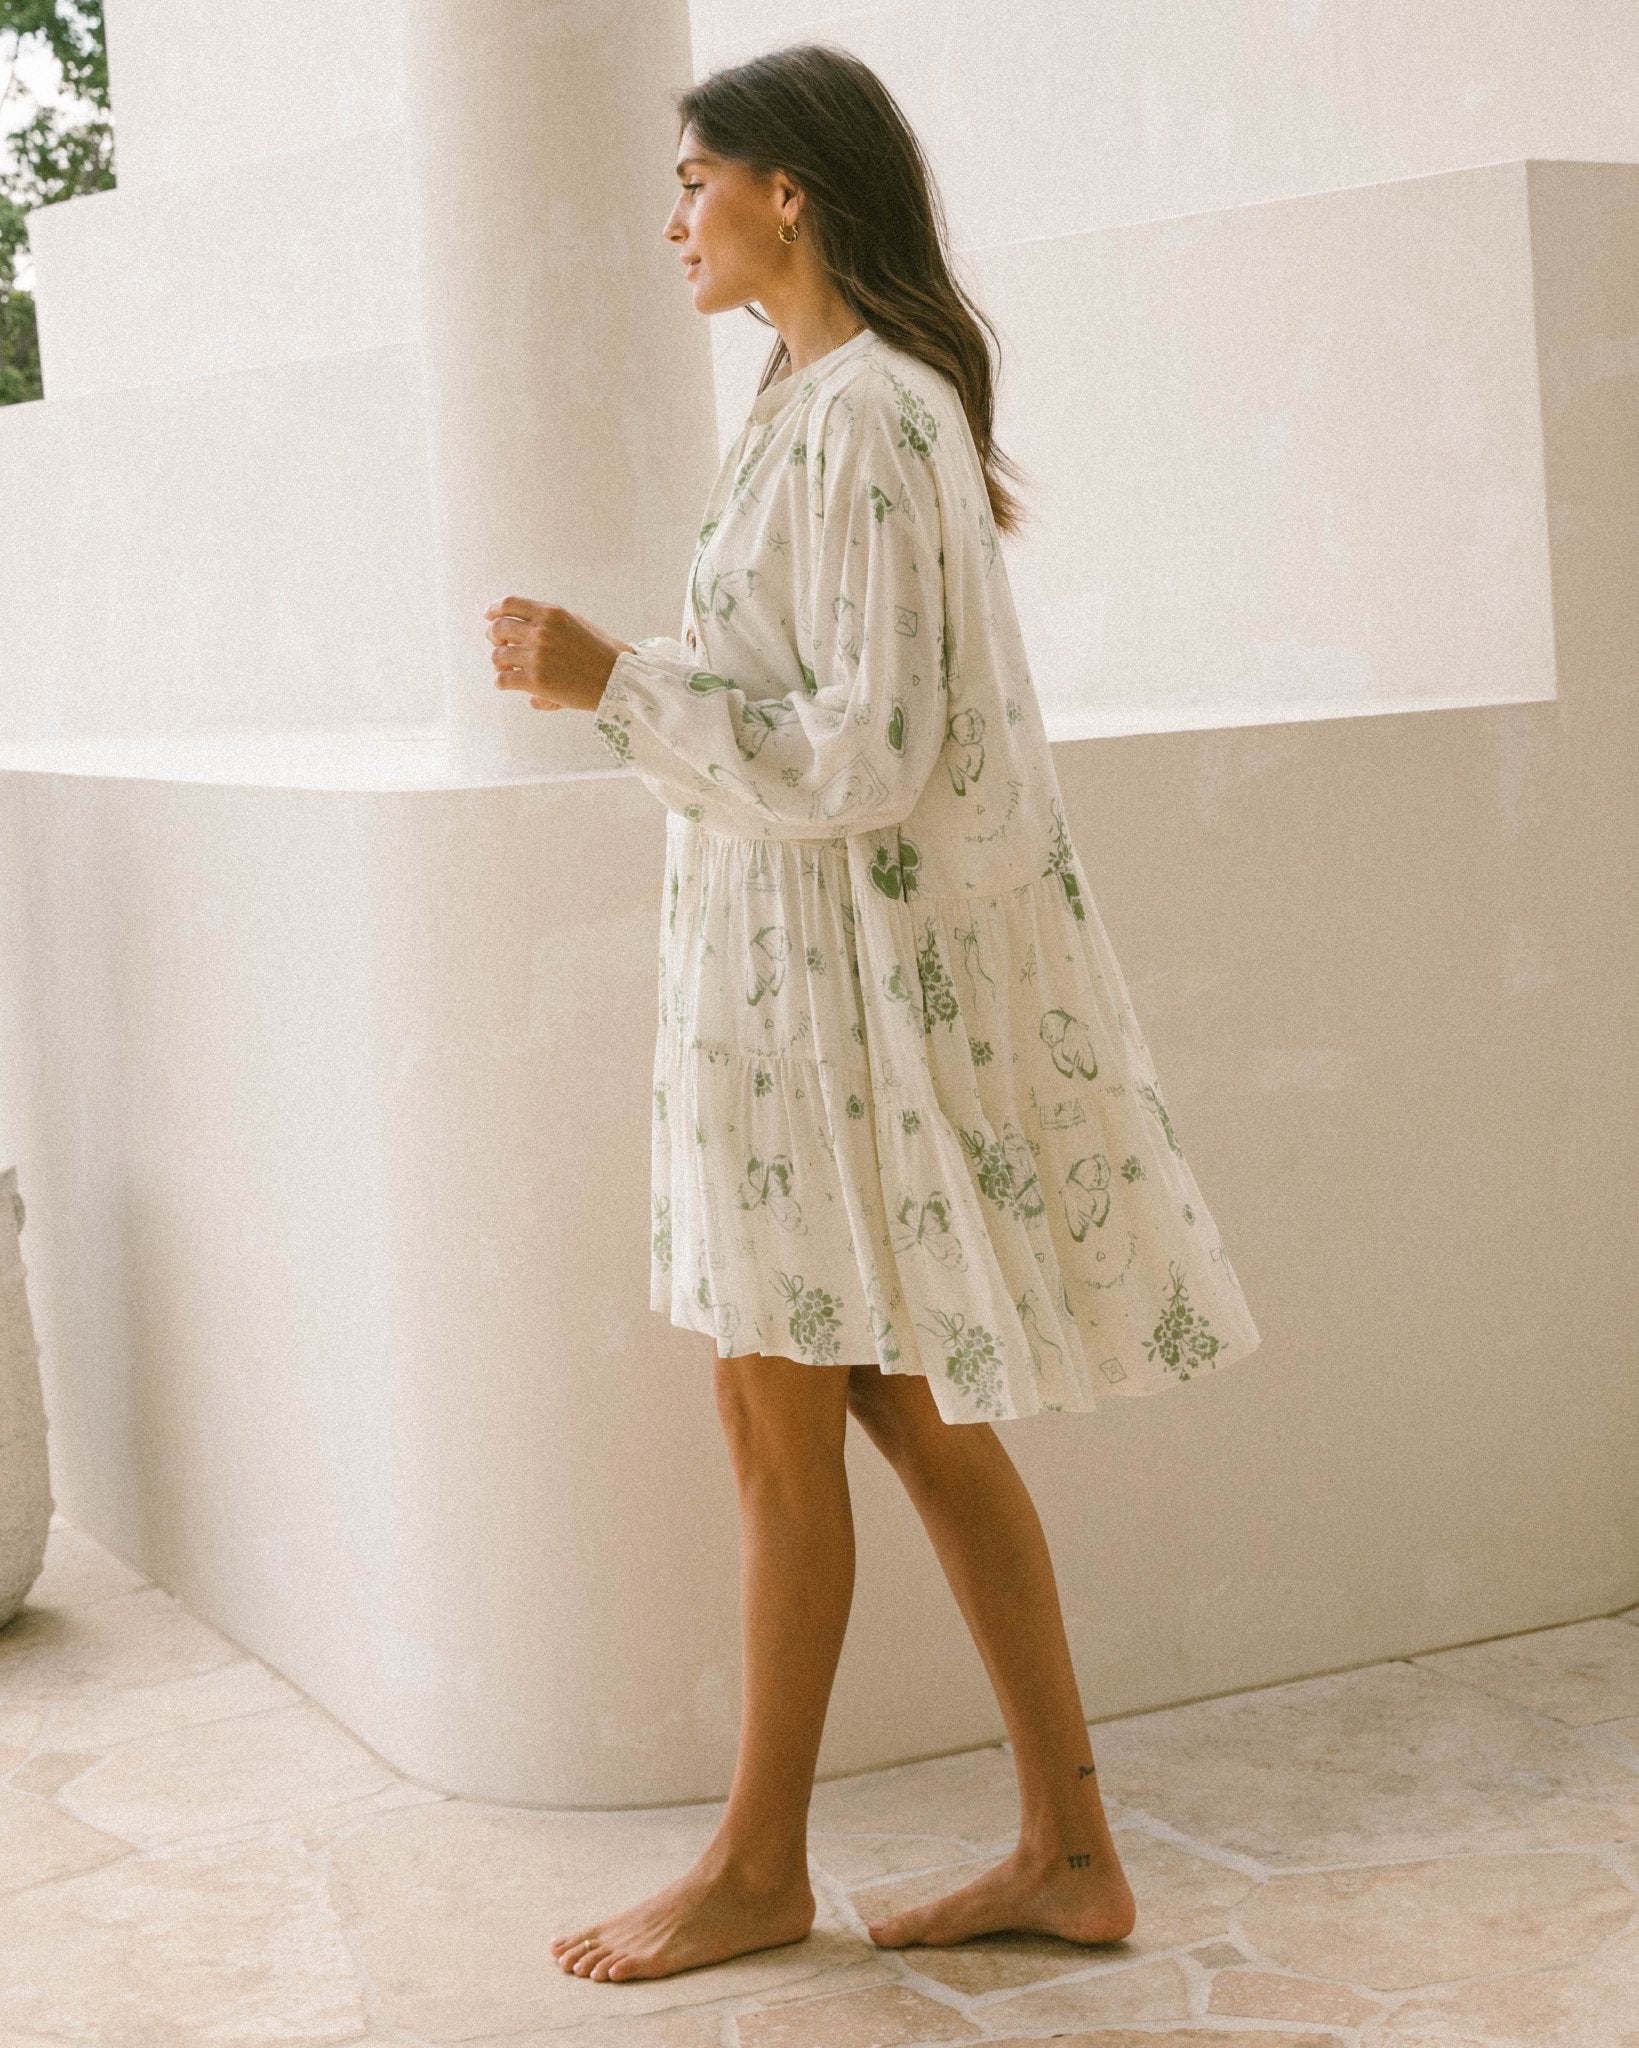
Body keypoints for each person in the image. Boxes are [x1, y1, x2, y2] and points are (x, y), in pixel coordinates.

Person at [484, 43, 1263, 1986]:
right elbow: (813, 712)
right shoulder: (804, 403)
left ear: (790, 192)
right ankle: (1066, 1851)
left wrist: (611, 684)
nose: (673, 219)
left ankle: (765, 1866)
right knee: (896, 1414)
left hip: (830, 1014)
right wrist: (637, 684)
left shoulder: (877, 416)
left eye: (695, 181)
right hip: (786, 991)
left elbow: (868, 752)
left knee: (792, 1421)